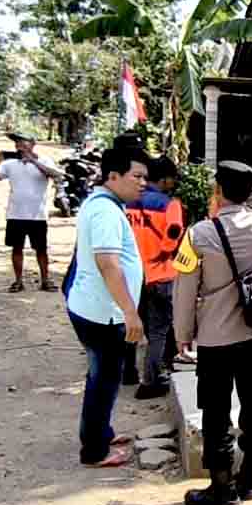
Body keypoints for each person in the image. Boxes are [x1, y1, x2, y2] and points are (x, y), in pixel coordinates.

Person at [174, 135, 252, 505]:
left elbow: (184, 290)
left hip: (214, 341)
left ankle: (222, 490)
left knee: (215, 414)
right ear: (249, 193)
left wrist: (183, 335)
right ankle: (250, 482)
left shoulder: (197, 234)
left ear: (218, 190)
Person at [66, 147, 149, 467]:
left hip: (95, 306)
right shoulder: (105, 212)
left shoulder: (105, 204)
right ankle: (95, 450)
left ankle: (100, 431)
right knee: (104, 379)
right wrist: (130, 311)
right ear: (113, 176)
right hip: (103, 313)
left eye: (145, 178)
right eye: (137, 177)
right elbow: (108, 264)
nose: (143, 183)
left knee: (102, 376)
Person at [123, 156, 184, 398]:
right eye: (173, 178)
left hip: (133, 275)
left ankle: (128, 372)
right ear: (165, 179)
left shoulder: (128, 202)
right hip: (160, 275)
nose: (174, 183)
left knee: (134, 326)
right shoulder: (170, 205)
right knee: (158, 330)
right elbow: (173, 237)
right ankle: (150, 381)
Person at [0, 131, 65, 292]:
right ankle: (18, 281)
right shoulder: (10, 164)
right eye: (16, 142)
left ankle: (45, 280)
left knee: (41, 249)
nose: (18, 145)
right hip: (15, 214)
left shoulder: (44, 160)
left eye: (22, 141)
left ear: (32, 143)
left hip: (37, 215)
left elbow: (57, 174)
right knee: (16, 248)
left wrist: (33, 161)